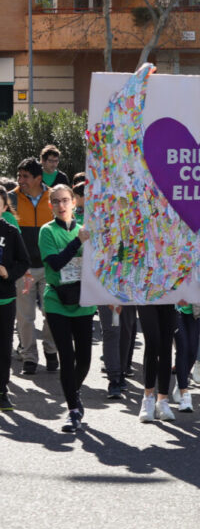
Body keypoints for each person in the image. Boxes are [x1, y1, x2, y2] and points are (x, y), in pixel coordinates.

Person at [39, 184, 96, 432]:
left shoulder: (86, 228)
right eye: (55, 201)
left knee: (84, 360)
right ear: (50, 205)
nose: (60, 205)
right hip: (57, 301)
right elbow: (56, 263)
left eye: (65, 200)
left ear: (74, 202)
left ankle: (74, 391)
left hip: (83, 301)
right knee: (67, 356)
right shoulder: (47, 231)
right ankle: (73, 411)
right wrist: (77, 243)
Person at [10, 157, 57, 375]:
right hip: (24, 270)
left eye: (25, 176)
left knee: (51, 313)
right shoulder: (11, 198)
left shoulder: (54, 197)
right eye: (19, 176)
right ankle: (29, 357)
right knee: (25, 317)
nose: (20, 180)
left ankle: (51, 351)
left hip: (50, 268)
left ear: (38, 178)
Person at [0, 198, 31, 411]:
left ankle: (2, 390)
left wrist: (8, 273)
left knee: (3, 346)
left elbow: (24, 261)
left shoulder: (10, 232)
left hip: (5, 297)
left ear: (4, 207)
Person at [173, 302, 200, 414]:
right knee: (182, 347)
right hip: (175, 309)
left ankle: (181, 378)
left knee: (193, 351)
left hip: (194, 309)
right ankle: (183, 392)